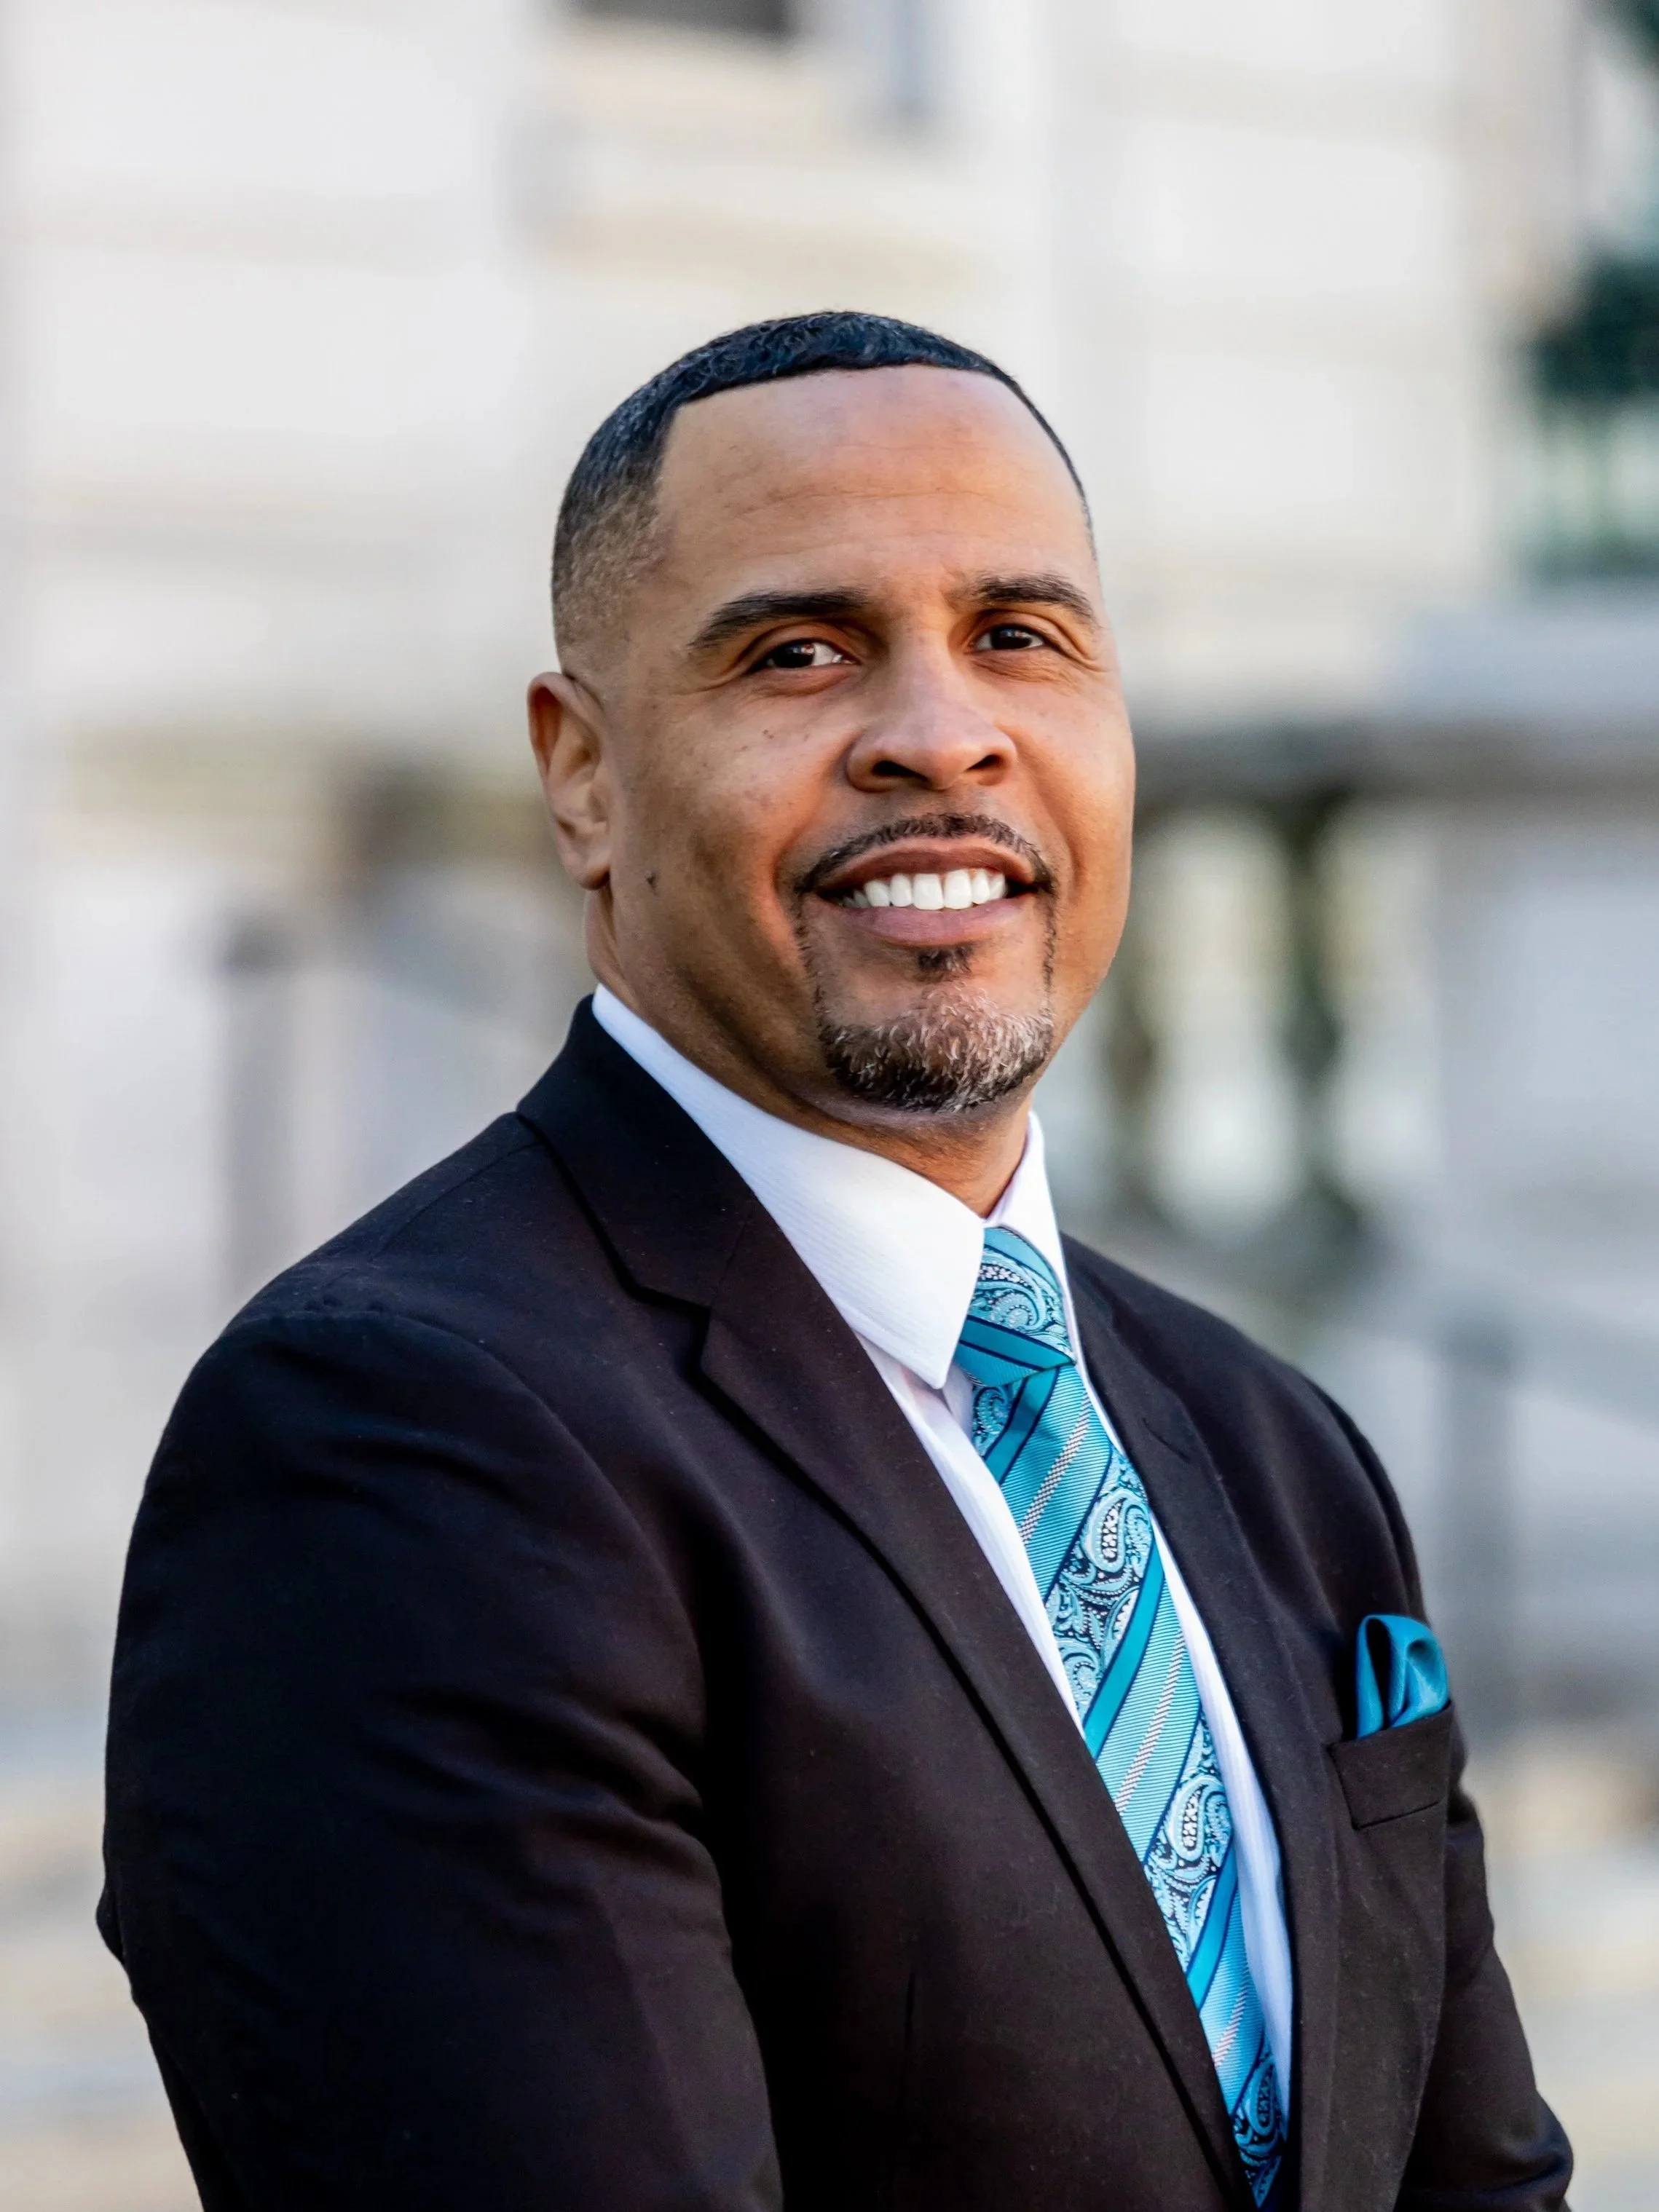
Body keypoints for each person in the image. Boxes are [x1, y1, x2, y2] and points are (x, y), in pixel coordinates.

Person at [100, 312, 1572, 2211]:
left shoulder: (1274, 1445)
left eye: (1020, 638)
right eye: (798, 652)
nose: (941, 732)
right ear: (584, 778)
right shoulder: (401, 1448)